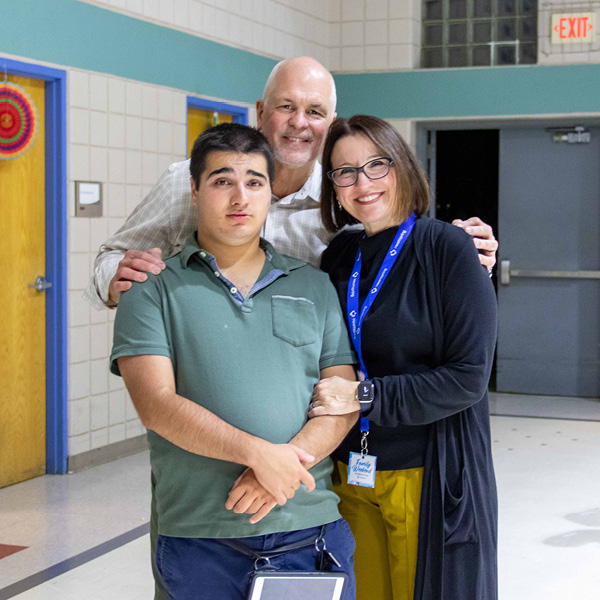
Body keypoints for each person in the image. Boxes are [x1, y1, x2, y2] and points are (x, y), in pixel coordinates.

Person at [110, 123, 358, 600]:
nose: (240, 197)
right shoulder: (150, 288)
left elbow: (342, 400)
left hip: (307, 531)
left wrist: (279, 475)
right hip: (200, 536)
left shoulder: (313, 285)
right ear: (195, 190)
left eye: (254, 182)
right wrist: (259, 455)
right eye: (223, 180)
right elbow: (156, 405)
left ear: (270, 195)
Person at [83, 57, 498, 311]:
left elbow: (405, 264)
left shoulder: (346, 200)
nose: (300, 123)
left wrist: (462, 256)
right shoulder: (186, 183)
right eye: (287, 107)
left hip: (312, 399)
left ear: (330, 125)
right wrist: (115, 279)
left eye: (315, 111)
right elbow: (111, 257)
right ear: (262, 111)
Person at [308, 115, 498, 600]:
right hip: (350, 469)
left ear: (404, 167)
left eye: (377, 165)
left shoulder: (449, 248)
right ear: (333, 187)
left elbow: (468, 379)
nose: (362, 183)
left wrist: (364, 395)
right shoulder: (339, 256)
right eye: (344, 171)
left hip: (426, 471)